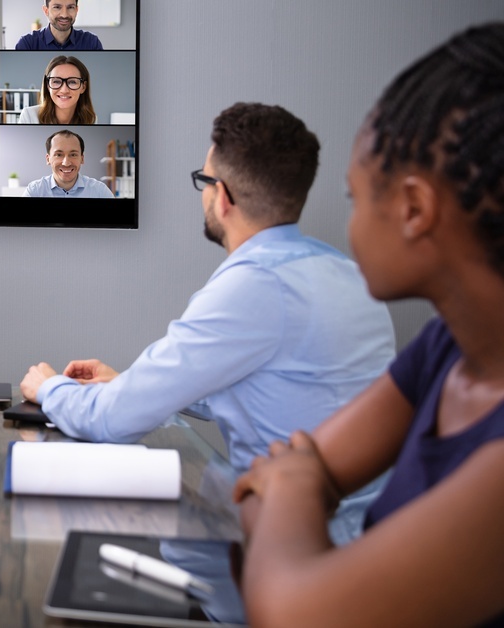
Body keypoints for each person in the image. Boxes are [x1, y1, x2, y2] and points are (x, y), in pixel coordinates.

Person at [20, 102, 396, 543]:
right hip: (362, 537)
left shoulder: (253, 287)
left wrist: (47, 388)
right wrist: (131, 381)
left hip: (292, 548)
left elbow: (112, 422)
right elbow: (268, 386)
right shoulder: (349, 275)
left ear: (224, 196)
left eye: (203, 180)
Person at [234, 23, 504, 627]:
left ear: (413, 210)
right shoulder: (446, 348)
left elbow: (292, 612)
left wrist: (294, 487)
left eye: (354, 199)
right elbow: (272, 484)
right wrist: (297, 489)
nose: (347, 225)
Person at [23, 129, 114, 198]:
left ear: (82, 159)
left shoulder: (100, 191)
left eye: (73, 154)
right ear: (48, 159)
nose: (66, 163)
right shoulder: (34, 191)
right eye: (59, 155)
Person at [17, 56, 96, 124]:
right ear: (48, 85)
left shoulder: (91, 119)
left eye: (72, 82)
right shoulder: (29, 116)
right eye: (56, 81)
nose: (64, 90)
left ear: (83, 87)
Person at [15, 0, 104, 50]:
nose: (64, 15)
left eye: (70, 7)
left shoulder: (92, 42)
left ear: (76, 10)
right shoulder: (27, 43)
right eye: (57, 7)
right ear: (46, 11)